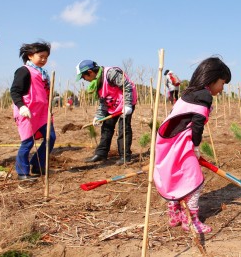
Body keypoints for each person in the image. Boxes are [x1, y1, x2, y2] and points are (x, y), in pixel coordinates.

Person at [154, 57, 231, 234]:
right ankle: (191, 220)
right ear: (212, 79)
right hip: (181, 144)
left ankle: (174, 214)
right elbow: (197, 126)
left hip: (167, 142)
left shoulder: (189, 93)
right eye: (222, 83)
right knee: (194, 182)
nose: (222, 88)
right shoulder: (204, 97)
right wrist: (195, 147)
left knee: (176, 177)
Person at [76, 60, 137, 165]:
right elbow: (103, 100)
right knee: (106, 128)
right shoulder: (97, 82)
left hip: (126, 102)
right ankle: (101, 154)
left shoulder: (110, 73)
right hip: (113, 105)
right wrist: (98, 116)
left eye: (83, 77)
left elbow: (127, 86)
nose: (84, 80)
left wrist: (127, 105)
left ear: (90, 72)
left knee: (123, 129)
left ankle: (125, 157)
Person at [10, 42, 56, 180]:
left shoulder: (43, 73)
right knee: (28, 142)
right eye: (41, 56)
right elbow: (15, 91)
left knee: (50, 137)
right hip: (27, 111)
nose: (44, 59)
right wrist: (21, 106)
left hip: (42, 112)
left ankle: (37, 164)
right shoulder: (24, 71)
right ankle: (22, 172)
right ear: (30, 56)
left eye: (46, 57)